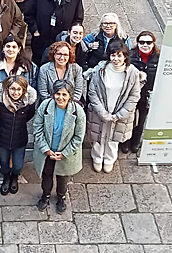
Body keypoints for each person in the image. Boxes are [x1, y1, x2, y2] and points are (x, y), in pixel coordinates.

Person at [87, 41, 141, 173]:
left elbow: (134, 96)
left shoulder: (133, 72)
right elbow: (92, 91)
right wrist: (102, 112)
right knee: (98, 136)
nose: (116, 59)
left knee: (113, 138)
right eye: (113, 55)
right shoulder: (100, 69)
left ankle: (109, 159)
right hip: (100, 110)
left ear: (125, 56)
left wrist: (120, 114)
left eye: (119, 55)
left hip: (119, 112)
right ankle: (97, 157)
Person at [33, 80, 86, 213]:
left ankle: (61, 197)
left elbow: (78, 137)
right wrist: (45, 149)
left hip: (65, 153)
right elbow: (37, 128)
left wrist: (65, 153)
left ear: (70, 96)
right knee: (46, 175)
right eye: (57, 94)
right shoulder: (45, 106)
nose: (60, 97)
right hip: (47, 152)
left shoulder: (78, 112)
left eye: (64, 94)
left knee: (63, 178)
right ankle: (45, 196)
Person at [26, 0, 84, 66]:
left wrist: (71, 34)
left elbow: (78, 18)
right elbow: (29, 14)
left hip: (63, 40)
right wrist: (35, 30)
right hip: (42, 39)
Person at [0, 75, 37, 195]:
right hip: (2, 138)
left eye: (19, 89)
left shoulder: (28, 103)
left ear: (24, 90)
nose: (15, 92)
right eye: (13, 89)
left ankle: (14, 177)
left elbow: (29, 116)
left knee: (18, 164)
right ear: (7, 89)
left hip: (19, 138)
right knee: (4, 162)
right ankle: (7, 177)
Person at [122, 31, 160, 153]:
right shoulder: (130, 56)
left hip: (147, 95)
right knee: (128, 119)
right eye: (142, 42)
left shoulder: (159, 58)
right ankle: (125, 142)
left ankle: (135, 142)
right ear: (137, 43)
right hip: (131, 94)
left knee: (141, 120)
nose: (145, 45)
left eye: (148, 42)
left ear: (153, 43)